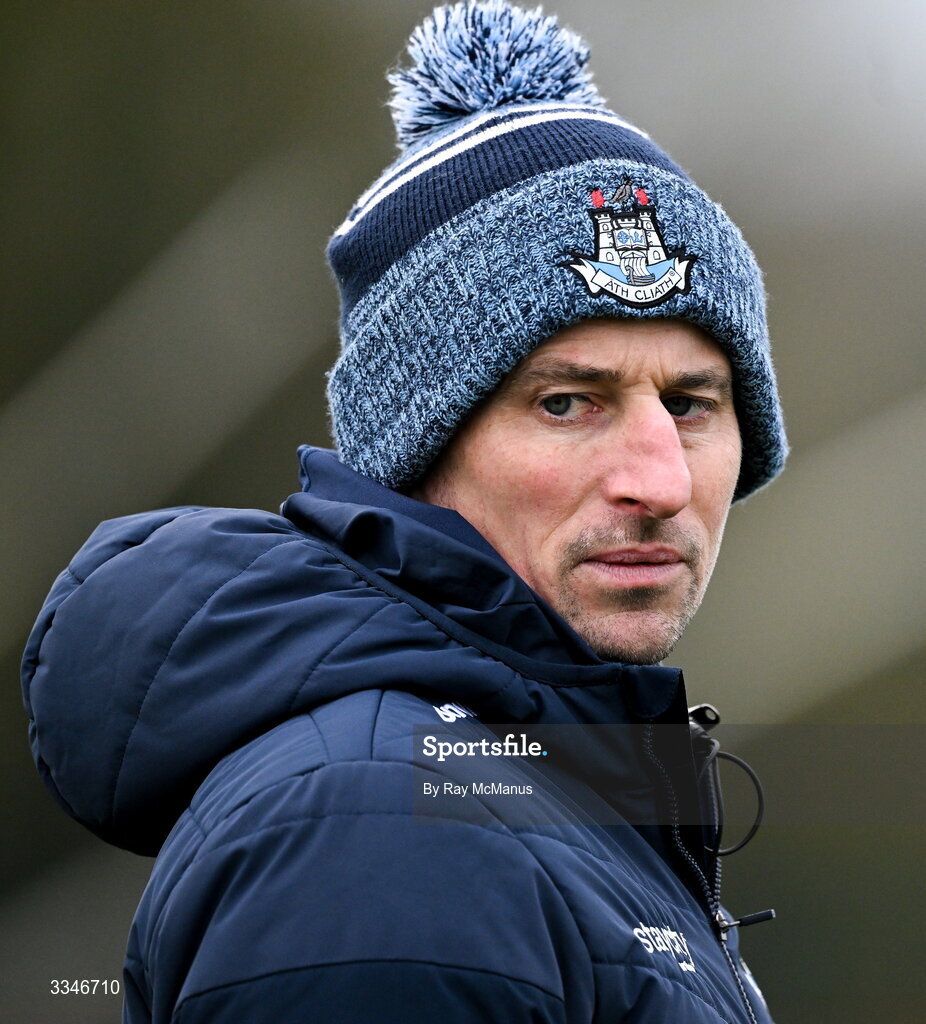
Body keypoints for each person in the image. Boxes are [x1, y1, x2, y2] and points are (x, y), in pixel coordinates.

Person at [22, 2, 787, 1021]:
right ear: (414, 447)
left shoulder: (520, 798)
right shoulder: (383, 826)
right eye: (567, 402)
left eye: (690, 404)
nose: (657, 479)